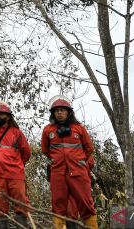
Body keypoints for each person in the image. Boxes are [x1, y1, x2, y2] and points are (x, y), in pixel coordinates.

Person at [41, 96, 97, 229]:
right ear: (53, 113)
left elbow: (89, 148)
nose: (59, 113)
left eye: (62, 110)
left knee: (85, 203)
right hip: (58, 173)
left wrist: (79, 161)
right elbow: (45, 150)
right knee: (58, 204)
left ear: (69, 112)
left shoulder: (79, 128)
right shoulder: (48, 130)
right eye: (56, 111)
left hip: (78, 172)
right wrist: (58, 160)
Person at [0, 101, 31, 229]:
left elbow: (26, 153)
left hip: (16, 174)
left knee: (21, 203)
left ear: (9, 116)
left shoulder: (17, 133)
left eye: (2, 114)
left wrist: (16, 165)